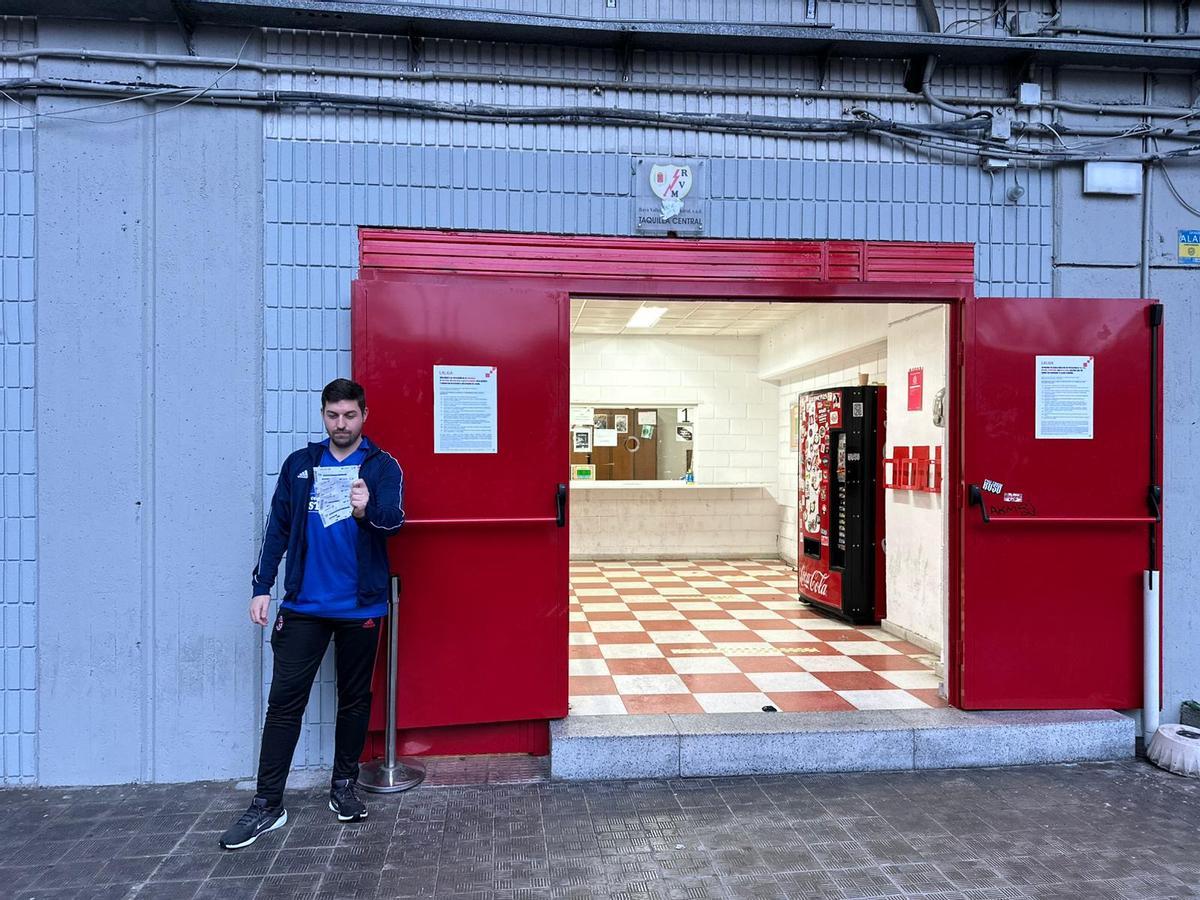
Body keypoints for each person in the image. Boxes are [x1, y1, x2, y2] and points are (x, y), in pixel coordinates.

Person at [220, 378, 404, 850]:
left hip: (360, 604)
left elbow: (394, 521)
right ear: (323, 415)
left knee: (354, 698)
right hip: (303, 605)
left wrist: (368, 511)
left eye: (349, 415)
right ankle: (266, 804)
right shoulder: (301, 464)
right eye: (332, 415)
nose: (340, 424)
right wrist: (262, 588)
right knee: (284, 704)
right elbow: (277, 527)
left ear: (364, 414)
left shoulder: (382, 466)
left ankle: (343, 787)